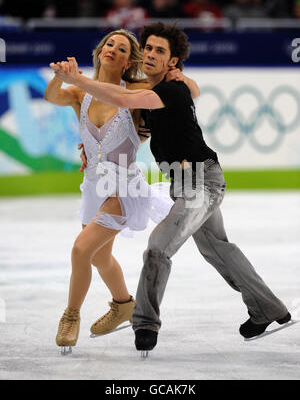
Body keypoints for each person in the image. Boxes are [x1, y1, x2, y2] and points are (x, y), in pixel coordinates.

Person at [53, 22, 291, 354]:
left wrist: (78, 80)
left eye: (160, 51)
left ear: (172, 62)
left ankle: (145, 323)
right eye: (148, 48)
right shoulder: (152, 92)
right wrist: (93, 150)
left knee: (157, 247)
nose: (150, 54)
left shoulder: (167, 90)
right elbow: (133, 116)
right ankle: (270, 309)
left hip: (201, 181)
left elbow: (123, 95)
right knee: (218, 250)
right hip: (182, 183)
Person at [46, 28, 200, 354]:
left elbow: (190, 91)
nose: (113, 49)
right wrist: (59, 76)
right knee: (100, 257)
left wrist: (176, 73)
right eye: (109, 44)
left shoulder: (135, 90)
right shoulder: (79, 94)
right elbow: (52, 97)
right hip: (92, 185)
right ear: (101, 49)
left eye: (122, 47)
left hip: (123, 187)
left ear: (130, 60)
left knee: (80, 250)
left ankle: (70, 315)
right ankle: (123, 304)